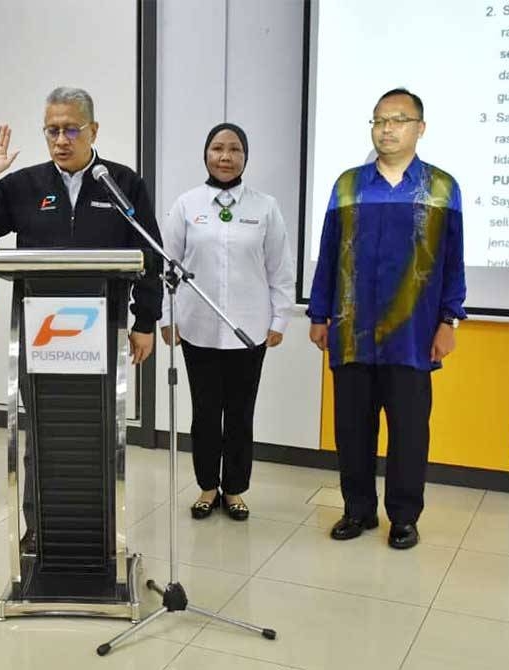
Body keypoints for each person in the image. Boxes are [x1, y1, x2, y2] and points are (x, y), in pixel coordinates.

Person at [0, 86, 164, 551]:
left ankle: (97, 525)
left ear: (93, 130)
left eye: (71, 129)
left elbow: (150, 254)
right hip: (39, 332)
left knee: (99, 432)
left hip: (104, 330)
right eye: (52, 130)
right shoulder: (22, 186)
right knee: (42, 432)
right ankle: (39, 526)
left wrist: (145, 321)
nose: (61, 139)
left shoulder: (121, 183)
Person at [307, 88, 466, 550]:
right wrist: (319, 313)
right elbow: (329, 255)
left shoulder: (442, 187)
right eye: (378, 120)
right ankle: (358, 510)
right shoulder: (348, 185)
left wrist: (449, 321)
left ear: (420, 127)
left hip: (414, 337)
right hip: (351, 332)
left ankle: (403, 516)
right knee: (352, 429)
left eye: (398, 119)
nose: (387, 128)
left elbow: (452, 261)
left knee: (409, 433)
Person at [159, 123, 294, 521]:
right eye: (217, 148)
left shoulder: (265, 206)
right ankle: (206, 487)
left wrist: (280, 319)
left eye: (234, 149)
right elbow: (168, 266)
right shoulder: (186, 204)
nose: (225, 156)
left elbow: (280, 269)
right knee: (204, 412)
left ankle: (234, 489)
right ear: (205, 154)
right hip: (197, 327)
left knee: (239, 413)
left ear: (245, 157)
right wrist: (167, 317)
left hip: (249, 330)